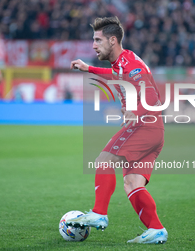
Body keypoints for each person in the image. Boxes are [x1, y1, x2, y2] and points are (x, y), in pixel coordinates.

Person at [66, 16, 168, 244]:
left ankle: (99, 213)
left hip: (143, 125)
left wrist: (136, 112)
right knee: (132, 183)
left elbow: (150, 94)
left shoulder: (129, 63)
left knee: (103, 160)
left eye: (97, 40)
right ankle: (156, 229)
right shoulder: (123, 62)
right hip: (155, 131)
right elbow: (116, 76)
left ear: (113, 40)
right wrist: (88, 68)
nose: (93, 45)